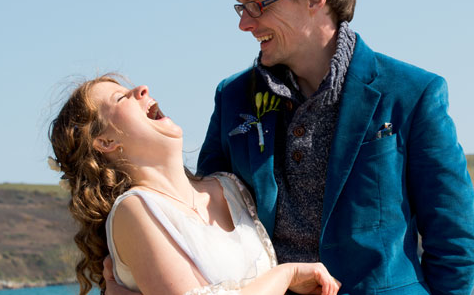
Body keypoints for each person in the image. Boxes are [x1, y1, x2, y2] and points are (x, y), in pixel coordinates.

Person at [195, 0, 474, 294]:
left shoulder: (413, 93)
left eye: (257, 5)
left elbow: (457, 242)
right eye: (241, 7)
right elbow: (201, 222)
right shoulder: (232, 97)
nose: (244, 23)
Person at [48, 75, 341, 295]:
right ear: (105, 142)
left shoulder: (230, 188)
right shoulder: (134, 210)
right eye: (122, 97)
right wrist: (287, 275)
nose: (142, 90)